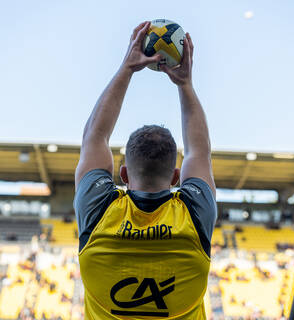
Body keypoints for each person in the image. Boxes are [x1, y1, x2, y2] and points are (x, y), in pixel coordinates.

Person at [74, 21, 217, 319]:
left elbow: (93, 138)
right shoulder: (193, 214)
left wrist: (127, 69)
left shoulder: (98, 211)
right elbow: (199, 152)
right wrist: (185, 85)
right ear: (177, 178)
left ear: (123, 175)